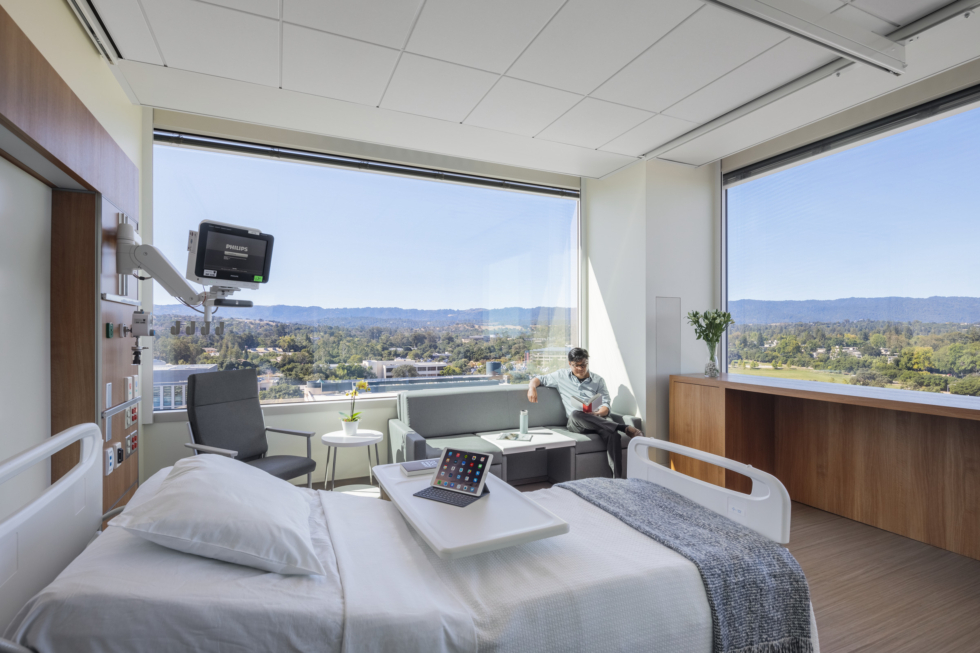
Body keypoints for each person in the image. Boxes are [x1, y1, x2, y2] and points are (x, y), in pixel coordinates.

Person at [527, 347, 642, 478]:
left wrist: (597, 414)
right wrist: (532, 387)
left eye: (584, 365)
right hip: (577, 422)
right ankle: (623, 427)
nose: (581, 369)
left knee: (613, 435)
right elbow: (539, 379)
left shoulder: (598, 380)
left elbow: (606, 405)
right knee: (576, 413)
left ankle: (617, 480)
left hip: (599, 419)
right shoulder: (560, 376)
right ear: (570, 364)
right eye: (577, 366)